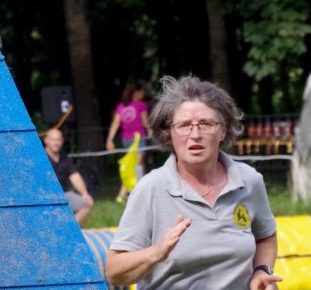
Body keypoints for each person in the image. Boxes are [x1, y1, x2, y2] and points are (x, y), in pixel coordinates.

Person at [106, 75, 283, 290]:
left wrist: (262, 270)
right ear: (169, 133)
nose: (195, 134)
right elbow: (114, 273)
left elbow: (266, 236)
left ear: (223, 130)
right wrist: (156, 253)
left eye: (206, 124)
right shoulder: (151, 188)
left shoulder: (249, 180)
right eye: (184, 125)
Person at [106, 82, 149, 202]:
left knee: (135, 166)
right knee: (136, 166)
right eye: (142, 92)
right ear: (137, 93)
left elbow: (115, 123)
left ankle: (138, 192)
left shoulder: (121, 106)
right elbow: (145, 123)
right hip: (138, 139)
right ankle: (127, 194)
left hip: (126, 140)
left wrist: (110, 139)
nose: (143, 94)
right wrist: (154, 133)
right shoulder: (141, 105)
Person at [43, 128, 94, 226]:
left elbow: (75, 176)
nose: (56, 143)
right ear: (46, 141)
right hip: (45, 197)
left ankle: (71, 230)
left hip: (63, 195)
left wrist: (85, 194)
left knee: (86, 203)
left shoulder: (64, 158)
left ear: (62, 141)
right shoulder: (40, 157)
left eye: (58, 140)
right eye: (53, 140)